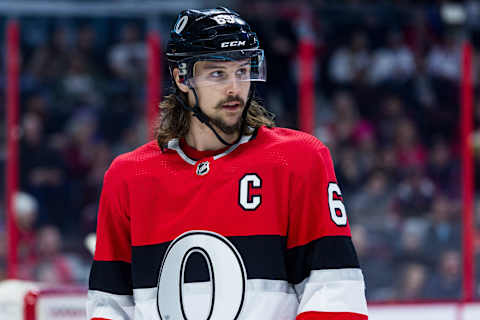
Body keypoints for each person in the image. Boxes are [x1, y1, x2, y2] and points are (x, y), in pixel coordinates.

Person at [87, 7, 368, 320]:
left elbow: (335, 293)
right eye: (217, 74)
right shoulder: (129, 176)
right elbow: (109, 306)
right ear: (182, 77)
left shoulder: (298, 160)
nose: (235, 88)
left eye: (242, 70)